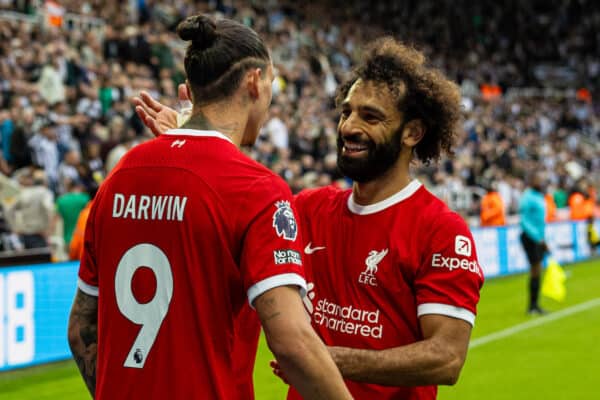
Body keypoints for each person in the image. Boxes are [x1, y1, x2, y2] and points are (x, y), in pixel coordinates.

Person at [136, 36, 484, 400]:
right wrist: (198, 140)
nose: (348, 127)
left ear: (412, 132)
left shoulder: (441, 230)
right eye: (347, 112)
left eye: (371, 117)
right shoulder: (309, 208)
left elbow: (447, 358)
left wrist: (327, 359)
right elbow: (246, 198)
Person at [67, 15, 351, 400]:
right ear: (254, 81)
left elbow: (81, 328)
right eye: (271, 85)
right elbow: (292, 343)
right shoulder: (255, 188)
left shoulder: (120, 176)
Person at [518, 172, 548, 315]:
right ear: (531, 181)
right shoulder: (527, 197)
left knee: (538, 269)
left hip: (538, 238)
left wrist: (543, 239)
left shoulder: (538, 196)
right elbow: (524, 220)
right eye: (538, 179)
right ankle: (532, 306)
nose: (540, 182)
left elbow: (539, 220)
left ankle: (535, 305)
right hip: (530, 237)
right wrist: (537, 238)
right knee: (535, 268)